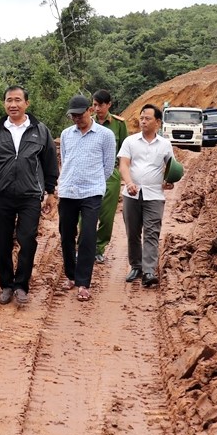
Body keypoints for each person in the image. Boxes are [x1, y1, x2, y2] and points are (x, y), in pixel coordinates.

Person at [0, 86, 58, 305]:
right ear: (4, 103)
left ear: (26, 104)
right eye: (9, 100)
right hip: (1, 195)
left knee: (27, 240)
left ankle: (21, 285)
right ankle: (6, 285)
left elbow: (49, 162)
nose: (13, 104)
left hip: (30, 195)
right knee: (2, 243)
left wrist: (50, 191)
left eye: (18, 100)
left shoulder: (40, 130)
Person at [57, 94, 116, 302]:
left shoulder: (105, 135)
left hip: (92, 192)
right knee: (66, 235)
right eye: (72, 115)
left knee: (87, 236)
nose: (76, 119)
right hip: (67, 191)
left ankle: (84, 282)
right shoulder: (66, 134)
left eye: (79, 115)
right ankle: (71, 276)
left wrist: (94, 181)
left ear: (90, 111)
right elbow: (65, 160)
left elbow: (108, 167)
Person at [118, 104, 176, 287]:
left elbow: (171, 167)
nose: (143, 121)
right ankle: (136, 266)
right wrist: (129, 183)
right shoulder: (130, 141)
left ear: (157, 122)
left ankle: (149, 271)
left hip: (154, 195)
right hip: (132, 193)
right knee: (133, 232)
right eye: (142, 118)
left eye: (147, 118)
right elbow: (124, 165)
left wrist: (169, 180)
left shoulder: (165, 145)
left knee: (152, 232)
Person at [91, 89, 129, 263]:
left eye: (100, 105)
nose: (96, 108)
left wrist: (123, 176)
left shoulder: (119, 124)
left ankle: (99, 248)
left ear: (109, 105)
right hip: (90, 172)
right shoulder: (88, 122)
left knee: (106, 215)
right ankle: (85, 247)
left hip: (111, 174)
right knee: (85, 215)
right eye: (94, 104)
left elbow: (124, 152)